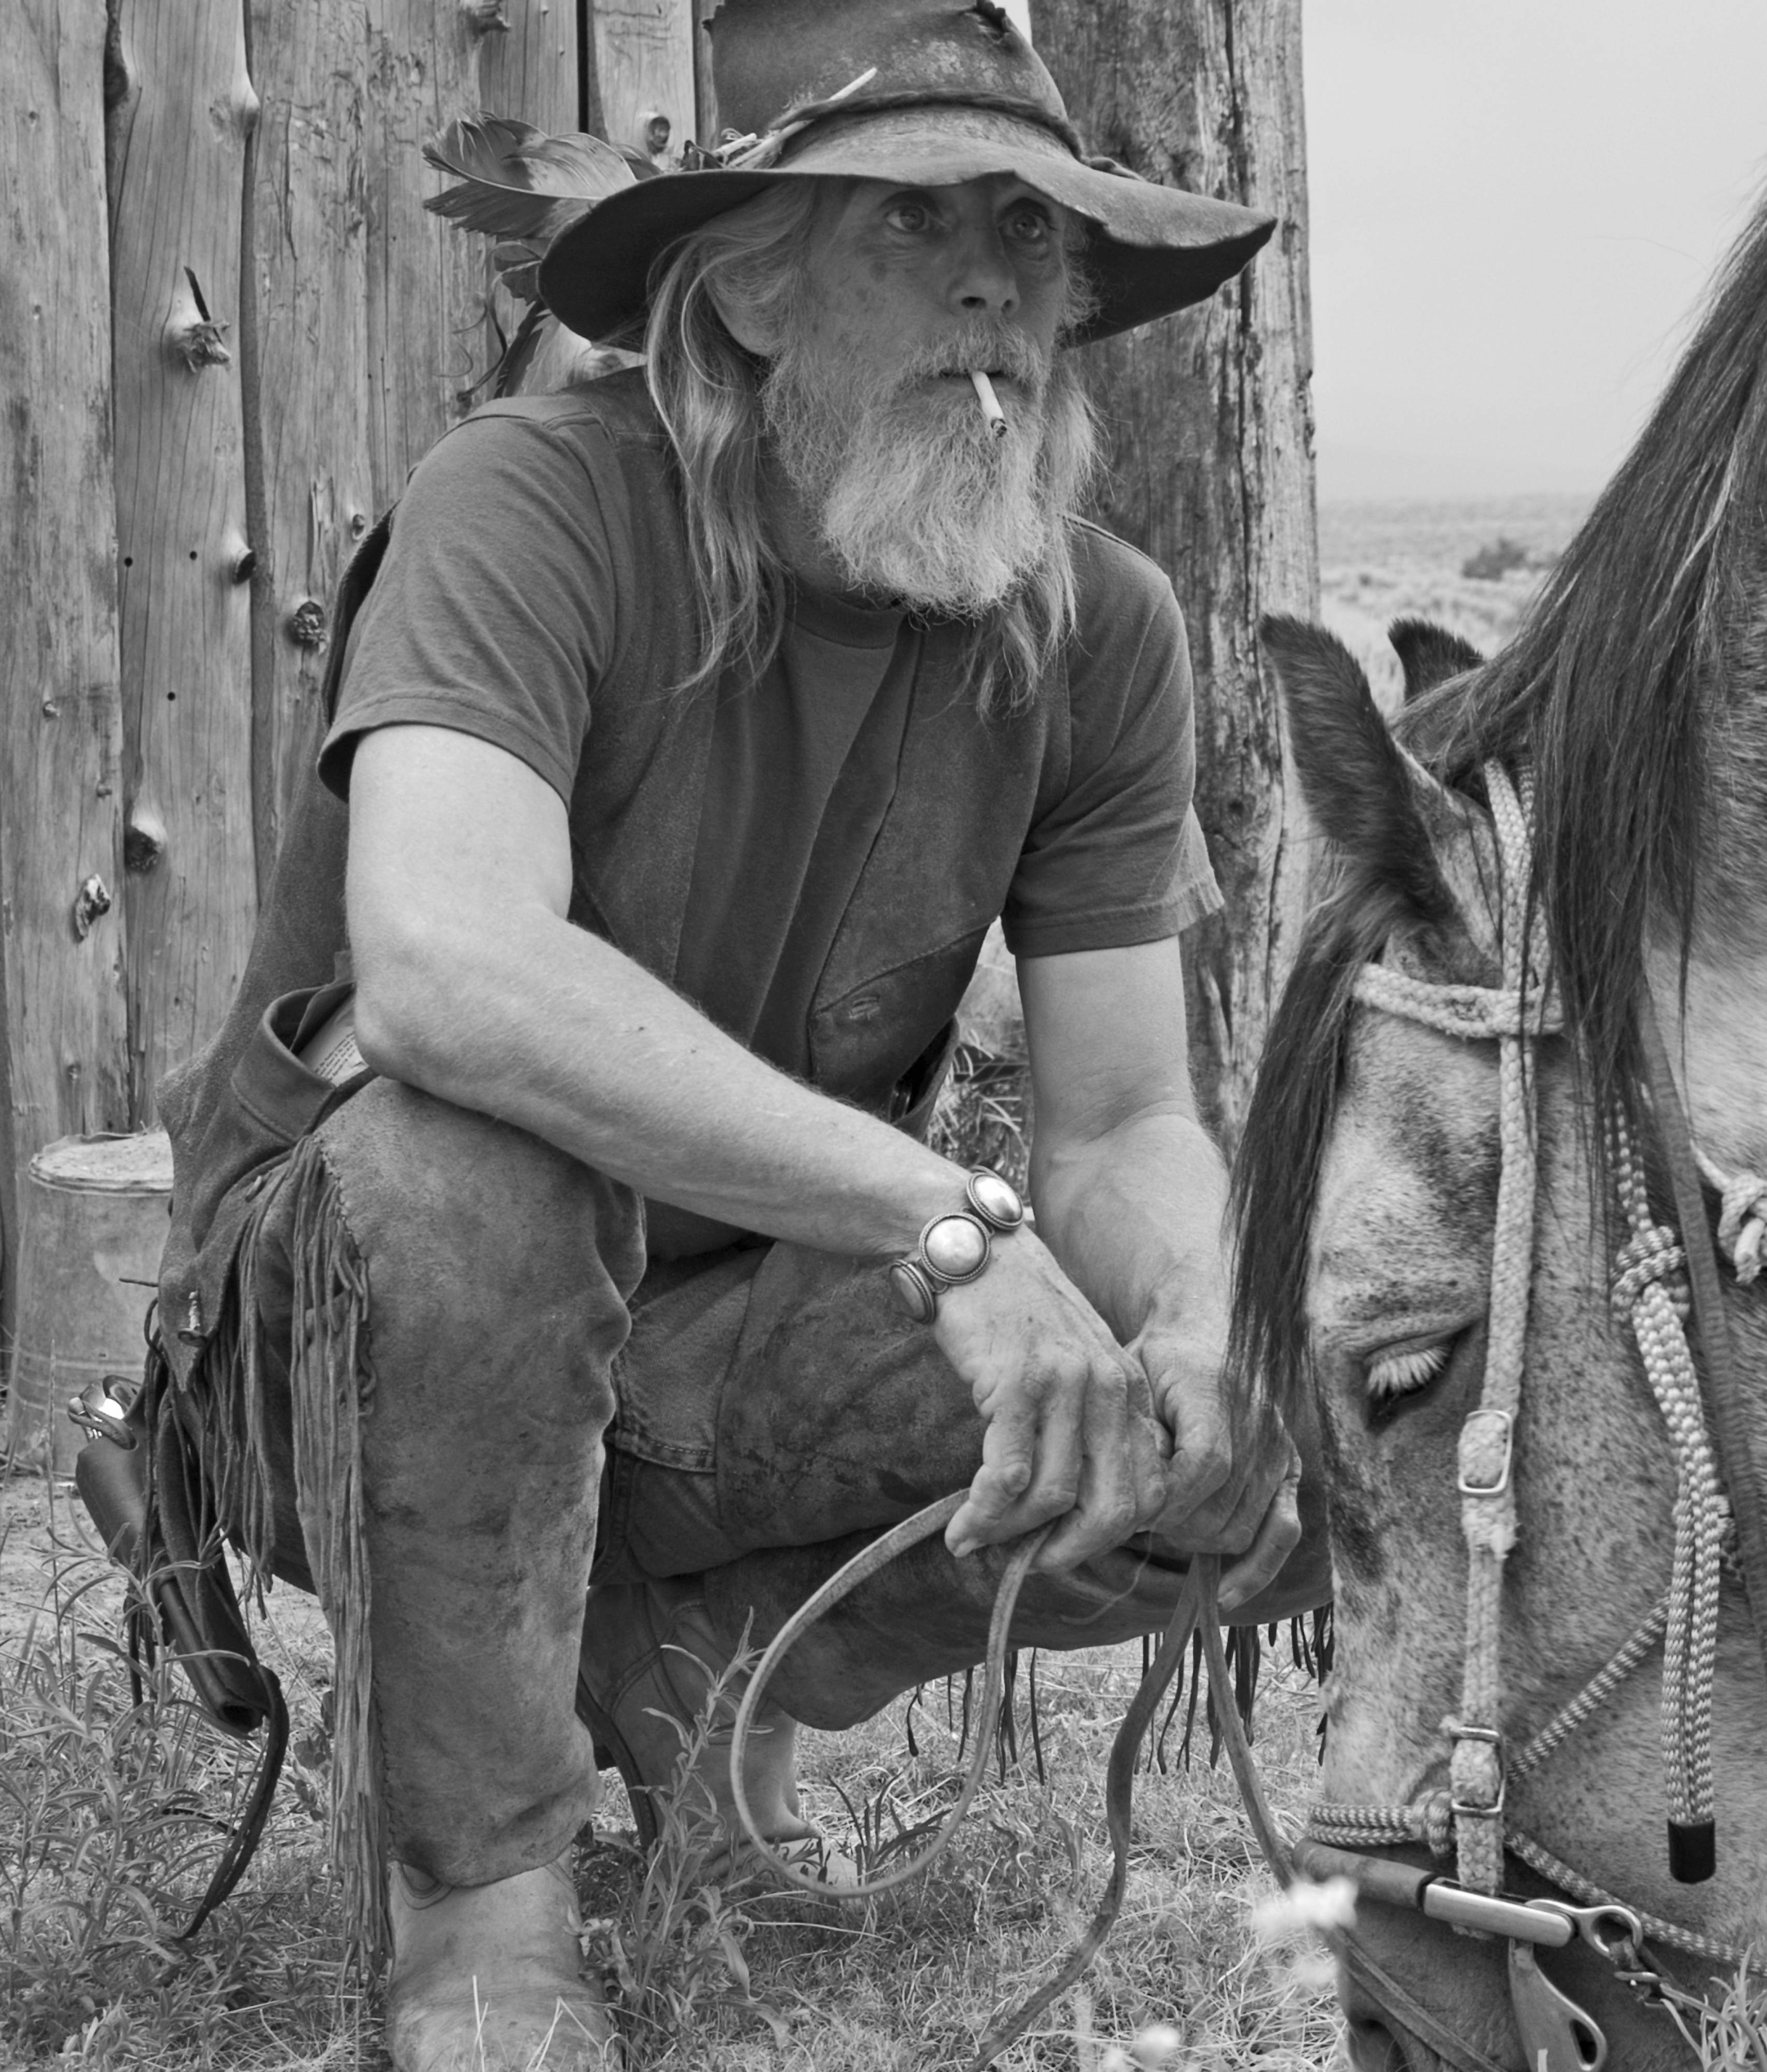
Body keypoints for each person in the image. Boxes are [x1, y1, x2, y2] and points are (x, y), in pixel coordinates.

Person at [151, 3, 1328, 2065]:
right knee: (476, 1158)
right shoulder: (531, 502)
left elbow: (1130, 1115)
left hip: (724, 1327)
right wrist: (941, 1223)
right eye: (909, 227)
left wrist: (1225, 1320)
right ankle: (486, 1910)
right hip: (345, 1331)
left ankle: (689, 1666)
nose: (991, 283)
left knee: (1255, 1421)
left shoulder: (1100, 626)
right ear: (753, 293)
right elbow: (440, 964)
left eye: (1028, 238)